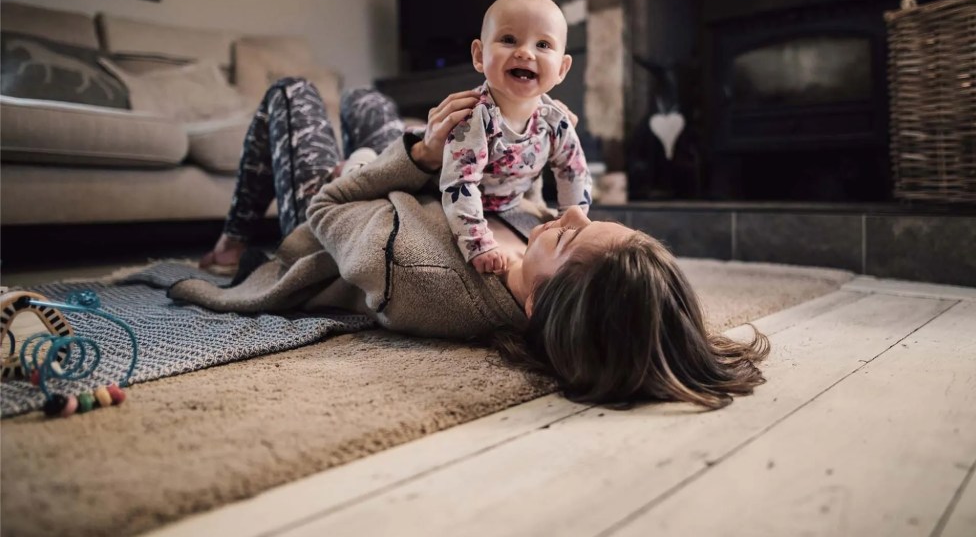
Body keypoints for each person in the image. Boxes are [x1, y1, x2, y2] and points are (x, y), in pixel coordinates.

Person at [187, 80, 768, 409]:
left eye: (569, 237)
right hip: (412, 185)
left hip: (336, 208)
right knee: (366, 100)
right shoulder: (554, 249)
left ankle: (233, 243)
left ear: (538, 305)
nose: (569, 218)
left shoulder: (419, 273)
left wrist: (418, 156)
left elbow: (329, 209)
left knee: (293, 93)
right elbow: (521, 195)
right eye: (589, 221)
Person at [440, 0, 591, 275]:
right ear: (479, 55)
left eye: (543, 44)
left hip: (511, 201)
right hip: (452, 195)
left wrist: (571, 230)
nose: (525, 52)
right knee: (380, 153)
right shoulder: (476, 117)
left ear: (561, 69)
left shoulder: (555, 121)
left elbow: (574, 172)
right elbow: (459, 183)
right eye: (509, 40)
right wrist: (478, 243)